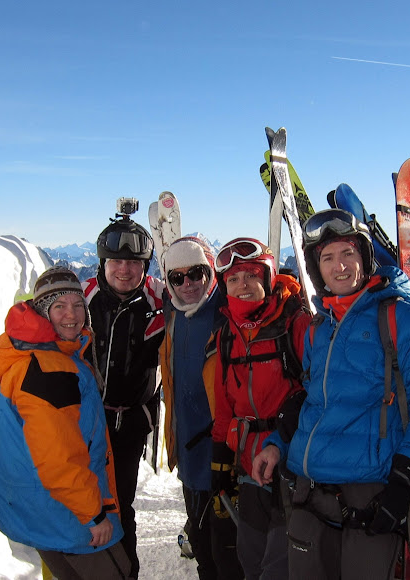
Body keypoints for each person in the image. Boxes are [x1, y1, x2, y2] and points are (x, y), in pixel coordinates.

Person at [252, 209, 410, 580]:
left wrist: (407, 477)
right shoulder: (319, 328)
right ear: (317, 269)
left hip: (371, 494)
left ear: (364, 257)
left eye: (348, 253)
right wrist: (277, 445)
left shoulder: (402, 317)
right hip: (311, 493)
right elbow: (314, 401)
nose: (339, 266)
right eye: (327, 258)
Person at [0, 267, 132, 579]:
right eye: (59, 306)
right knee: (119, 572)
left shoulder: (13, 351)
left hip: (35, 510)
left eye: (78, 305)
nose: (72, 315)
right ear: (42, 312)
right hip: (70, 516)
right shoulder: (51, 370)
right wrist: (94, 516)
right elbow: (60, 459)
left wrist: (23, 448)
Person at [210, 237, 311, 580]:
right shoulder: (227, 335)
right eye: (234, 279)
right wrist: (220, 459)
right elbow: (225, 403)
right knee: (250, 558)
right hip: (248, 464)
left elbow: (318, 390)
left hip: (293, 462)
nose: (243, 285)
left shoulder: (294, 324)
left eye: (252, 275)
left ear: (267, 278)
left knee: (280, 565)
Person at [82, 213, 165, 578]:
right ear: (103, 262)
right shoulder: (82, 298)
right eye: (116, 261)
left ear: (145, 265)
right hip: (86, 421)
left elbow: (201, 299)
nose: (125, 270)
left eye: (134, 262)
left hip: (129, 423)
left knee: (120, 504)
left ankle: (124, 572)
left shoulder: (160, 299)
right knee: (83, 500)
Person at [158, 236, 243, 580]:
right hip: (190, 457)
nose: (188, 284)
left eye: (196, 273)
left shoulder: (228, 311)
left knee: (230, 555)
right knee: (203, 549)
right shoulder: (171, 314)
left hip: (228, 456)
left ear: (210, 273)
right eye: (177, 277)